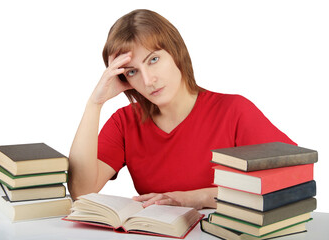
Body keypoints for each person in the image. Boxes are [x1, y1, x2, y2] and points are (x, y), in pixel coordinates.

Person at [68, 9, 295, 210]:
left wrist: (198, 197)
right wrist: (94, 104)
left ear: (176, 52)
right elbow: (81, 193)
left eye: (153, 59)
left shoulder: (233, 111)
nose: (148, 80)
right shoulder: (125, 122)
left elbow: (292, 178)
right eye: (132, 71)